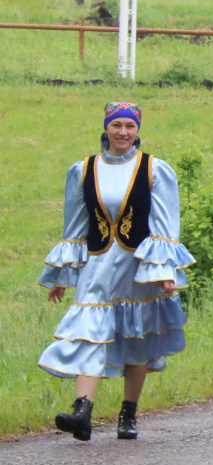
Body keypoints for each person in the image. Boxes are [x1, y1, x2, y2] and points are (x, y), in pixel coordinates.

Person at [39, 102, 192, 442]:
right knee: (88, 331)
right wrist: (63, 276)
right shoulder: (83, 169)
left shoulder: (153, 168)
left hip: (136, 268)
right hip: (97, 264)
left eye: (130, 126)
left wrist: (164, 271)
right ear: (106, 128)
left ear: (138, 130)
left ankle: (128, 412)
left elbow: (165, 224)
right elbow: (76, 224)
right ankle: (83, 409)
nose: (123, 132)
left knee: (136, 338)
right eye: (117, 125)